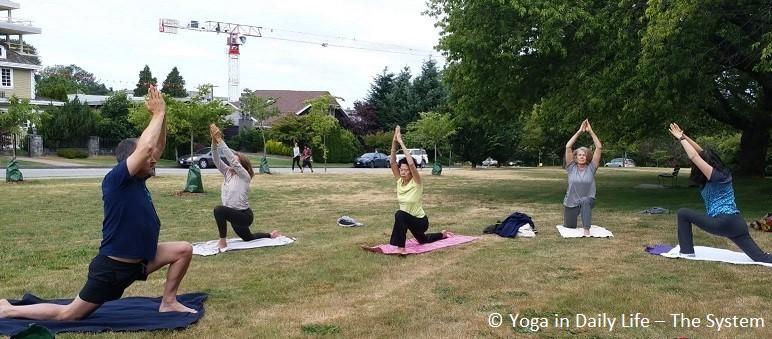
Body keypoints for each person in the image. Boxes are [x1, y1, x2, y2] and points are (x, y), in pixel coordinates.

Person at [0, 85, 196, 320]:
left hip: (140, 262)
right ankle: (7, 309)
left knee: (183, 249)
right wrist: (157, 114)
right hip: (113, 269)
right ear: (131, 160)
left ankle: (169, 302)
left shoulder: (139, 179)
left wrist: (163, 116)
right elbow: (145, 149)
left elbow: (156, 147)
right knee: (68, 315)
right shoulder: (117, 179)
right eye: (148, 157)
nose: (154, 159)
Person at [668, 123, 772, 263]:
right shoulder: (722, 173)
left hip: (722, 223)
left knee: (683, 213)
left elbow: (695, 157)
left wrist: (681, 139)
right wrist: (684, 135)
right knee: (762, 258)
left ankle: (687, 252)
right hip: (737, 224)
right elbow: (700, 154)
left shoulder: (716, 176)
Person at [369, 126, 453, 255]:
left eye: (406, 170)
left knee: (399, 214)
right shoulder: (399, 181)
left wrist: (401, 142)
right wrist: (394, 142)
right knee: (423, 240)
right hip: (408, 221)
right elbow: (392, 163)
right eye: (401, 169)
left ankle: (400, 248)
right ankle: (442, 235)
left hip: (420, 221)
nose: (402, 172)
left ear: (411, 171)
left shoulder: (417, 182)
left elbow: (412, 164)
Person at [209, 124, 280, 251]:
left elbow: (233, 160)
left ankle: (222, 242)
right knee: (248, 238)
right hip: (234, 215)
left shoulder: (244, 176)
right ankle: (271, 235)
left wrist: (220, 140)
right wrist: (214, 142)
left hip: (244, 216)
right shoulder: (227, 173)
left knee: (219, 210)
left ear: (242, 165)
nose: (231, 164)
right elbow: (216, 159)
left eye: (234, 162)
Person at [563, 119, 603, 237]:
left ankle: (586, 229)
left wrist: (590, 131)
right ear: (575, 157)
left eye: (584, 155)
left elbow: (599, 148)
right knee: (569, 227)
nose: (582, 157)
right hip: (571, 202)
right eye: (579, 155)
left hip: (588, 200)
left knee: (585, 200)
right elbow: (568, 146)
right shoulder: (571, 167)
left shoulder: (592, 167)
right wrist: (580, 131)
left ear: (587, 157)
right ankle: (574, 218)